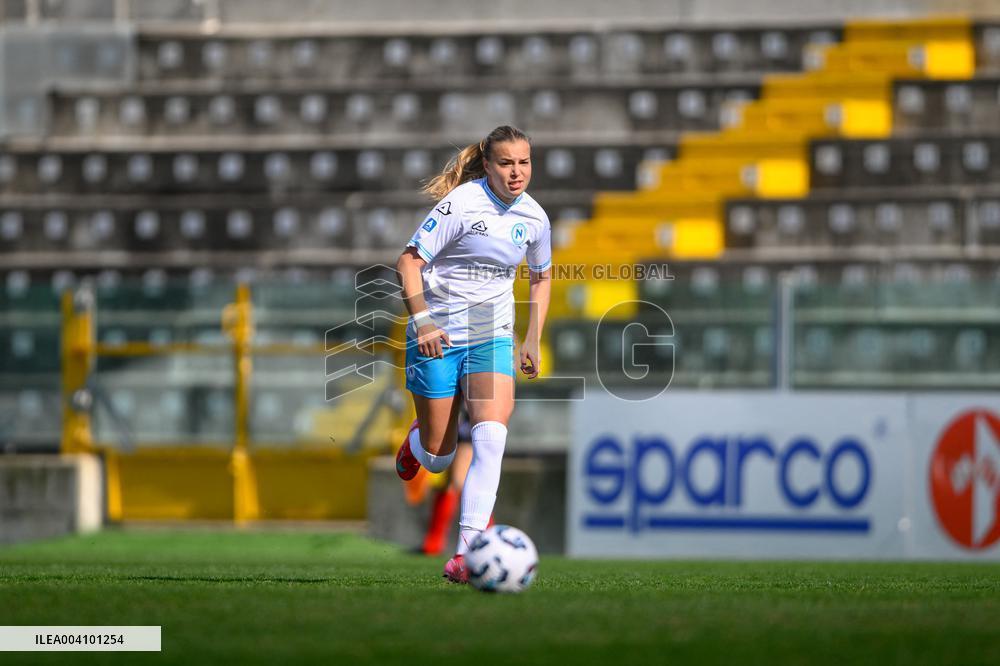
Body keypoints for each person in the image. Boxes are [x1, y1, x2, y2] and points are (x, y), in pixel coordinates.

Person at [394, 125, 552, 583]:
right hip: (437, 329)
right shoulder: (461, 204)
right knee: (441, 456)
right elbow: (408, 262)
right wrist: (422, 320)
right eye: (506, 163)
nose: (517, 172)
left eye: (524, 162)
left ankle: (467, 553)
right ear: (487, 164)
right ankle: (417, 441)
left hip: (491, 331)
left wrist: (532, 337)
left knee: (491, 437)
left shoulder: (536, 218)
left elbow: (541, 277)